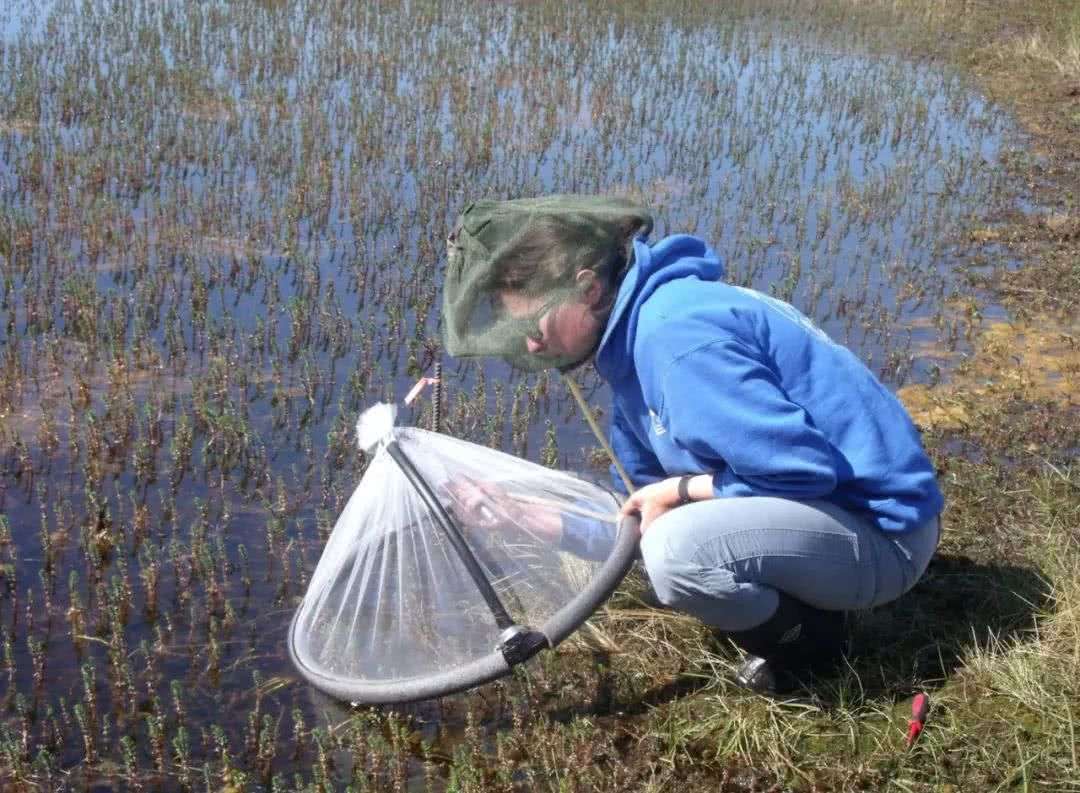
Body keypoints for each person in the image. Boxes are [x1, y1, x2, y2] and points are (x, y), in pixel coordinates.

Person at [441, 196, 944, 694]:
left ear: (589, 288)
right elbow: (635, 510)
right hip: (829, 514)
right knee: (664, 532)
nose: (530, 345)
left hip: (886, 536)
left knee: (677, 552)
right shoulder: (632, 339)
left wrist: (679, 491)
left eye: (533, 325)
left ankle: (814, 647)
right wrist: (525, 516)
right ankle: (798, 604)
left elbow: (801, 471)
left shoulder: (674, 338)